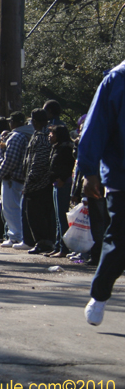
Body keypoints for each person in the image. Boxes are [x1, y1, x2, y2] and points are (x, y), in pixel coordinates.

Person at [78, 59, 125, 325]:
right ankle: (100, 295)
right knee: (119, 241)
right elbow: (96, 126)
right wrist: (90, 171)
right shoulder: (117, 79)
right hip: (122, 174)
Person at [22, 108, 55, 254]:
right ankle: (42, 241)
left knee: (36, 215)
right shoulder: (39, 135)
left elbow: (38, 163)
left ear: (35, 121)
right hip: (40, 183)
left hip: (38, 185)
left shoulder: (42, 137)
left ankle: (42, 242)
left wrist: (29, 182)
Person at [0, 112, 31, 249]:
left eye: (11, 121)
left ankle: (16, 236)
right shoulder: (26, 134)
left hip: (12, 178)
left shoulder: (16, 136)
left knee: (11, 209)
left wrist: (0, 173)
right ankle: (17, 235)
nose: (10, 123)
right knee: (17, 208)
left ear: (15, 122)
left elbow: (10, 160)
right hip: (21, 178)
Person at [46, 124, 75, 258]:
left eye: (52, 133)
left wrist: (62, 178)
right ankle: (57, 246)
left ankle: (64, 248)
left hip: (63, 185)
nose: (50, 136)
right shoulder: (56, 147)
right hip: (56, 184)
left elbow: (69, 165)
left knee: (62, 218)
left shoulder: (66, 148)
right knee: (58, 218)